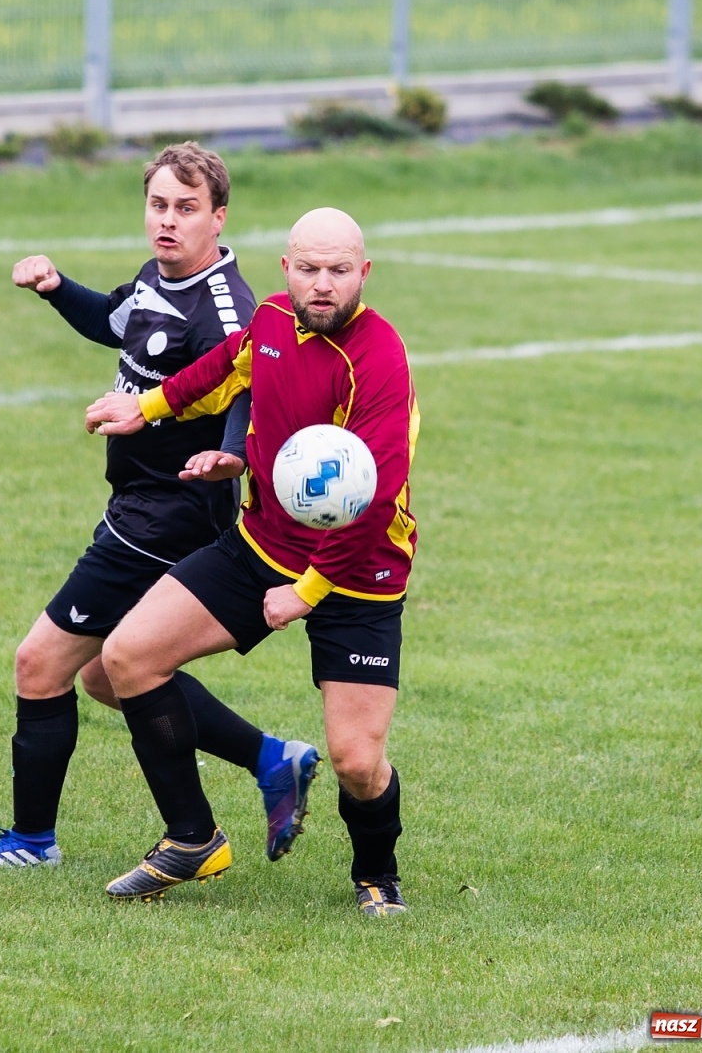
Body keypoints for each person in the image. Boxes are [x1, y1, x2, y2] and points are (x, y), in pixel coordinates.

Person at [0, 144, 321, 870]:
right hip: (139, 506)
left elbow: (251, 386)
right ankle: (272, 757)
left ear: (218, 217)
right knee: (106, 674)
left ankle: (34, 841)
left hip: (168, 517)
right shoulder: (160, 277)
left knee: (41, 663)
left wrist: (232, 451)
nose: (169, 221)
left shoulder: (224, 308)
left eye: (186, 209)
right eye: (158, 205)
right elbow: (115, 322)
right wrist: (56, 288)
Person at [84, 207, 419, 914]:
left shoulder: (379, 357)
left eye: (337, 271)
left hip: (359, 571)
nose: (321, 285)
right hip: (261, 545)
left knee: (358, 762)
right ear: (286, 270)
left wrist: (309, 590)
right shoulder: (269, 321)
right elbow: (224, 369)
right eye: (308, 269)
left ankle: (376, 875)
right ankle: (191, 837)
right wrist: (143, 407)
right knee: (124, 660)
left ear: (363, 272)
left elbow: (379, 494)